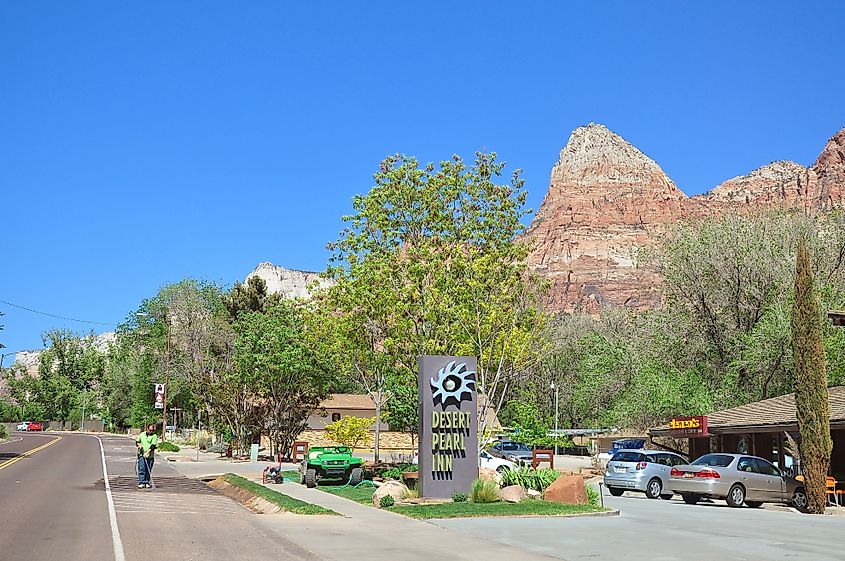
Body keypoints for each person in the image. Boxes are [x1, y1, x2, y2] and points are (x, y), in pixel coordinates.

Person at [136, 423, 160, 489]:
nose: (151, 432)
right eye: (150, 430)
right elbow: (137, 441)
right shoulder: (142, 434)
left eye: (152, 431)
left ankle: (147, 482)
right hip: (141, 454)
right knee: (142, 468)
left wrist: (147, 452)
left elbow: (153, 445)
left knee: (148, 469)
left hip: (150, 455)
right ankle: (142, 482)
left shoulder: (154, 436)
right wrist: (139, 445)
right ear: (147, 429)